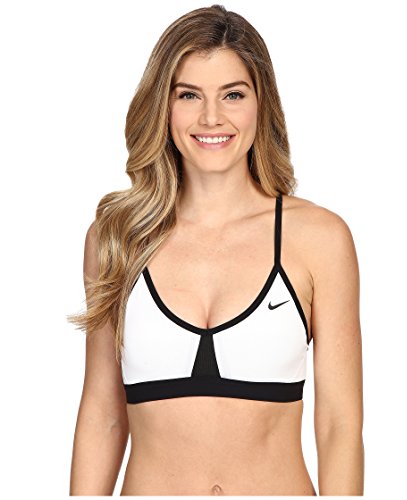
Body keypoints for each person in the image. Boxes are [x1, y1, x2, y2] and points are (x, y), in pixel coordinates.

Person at [68, 4, 364, 496]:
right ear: (162, 106)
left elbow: (339, 425)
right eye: (189, 95)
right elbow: (103, 414)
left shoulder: (319, 239)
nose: (211, 117)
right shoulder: (117, 237)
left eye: (233, 94)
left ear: (260, 104)